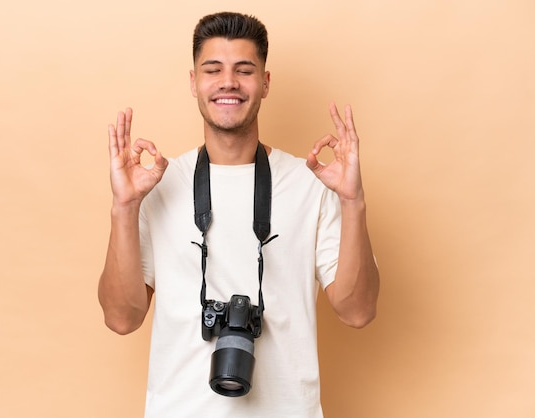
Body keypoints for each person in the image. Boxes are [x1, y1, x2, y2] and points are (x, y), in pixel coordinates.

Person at [98, 11, 379, 418]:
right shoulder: (155, 184)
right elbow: (122, 318)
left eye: (244, 70)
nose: (228, 82)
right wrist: (124, 207)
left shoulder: (311, 183)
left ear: (265, 83)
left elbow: (358, 311)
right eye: (212, 69)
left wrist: (354, 202)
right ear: (193, 82)